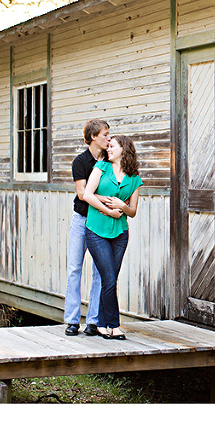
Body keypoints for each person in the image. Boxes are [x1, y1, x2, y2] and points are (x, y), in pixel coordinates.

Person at [83, 135, 143, 340]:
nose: (108, 149)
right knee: (108, 278)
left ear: (124, 150)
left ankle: (101, 324)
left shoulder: (134, 177)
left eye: (112, 146)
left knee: (110, 280)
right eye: (108, 146)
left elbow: (132, 211)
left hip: (120, 233)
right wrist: (108, 211)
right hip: (96, 230)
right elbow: (87, 194)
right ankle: (114, 325)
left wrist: (122, 206)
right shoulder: (101, 167)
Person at [63, 119, 110, 336]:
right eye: (105, 134)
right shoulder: (80, 161)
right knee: (75, 268)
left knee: (100, 272)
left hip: (100, 221)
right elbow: (82, 194)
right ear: (93, 137)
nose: (109, 138)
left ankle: (93, 321)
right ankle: (72, 321)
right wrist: (106, 199)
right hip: (82, 220)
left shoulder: (111, 161)